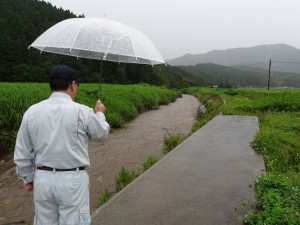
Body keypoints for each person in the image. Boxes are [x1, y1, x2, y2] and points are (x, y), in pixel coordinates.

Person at [14, 65, 110, 225]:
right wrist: (99, 113)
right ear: (73, 84)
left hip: (42, 179)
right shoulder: (82, 111)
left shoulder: (32, 111)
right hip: (72, 180)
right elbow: (101, 135)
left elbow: (22, 151)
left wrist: (28, 177)